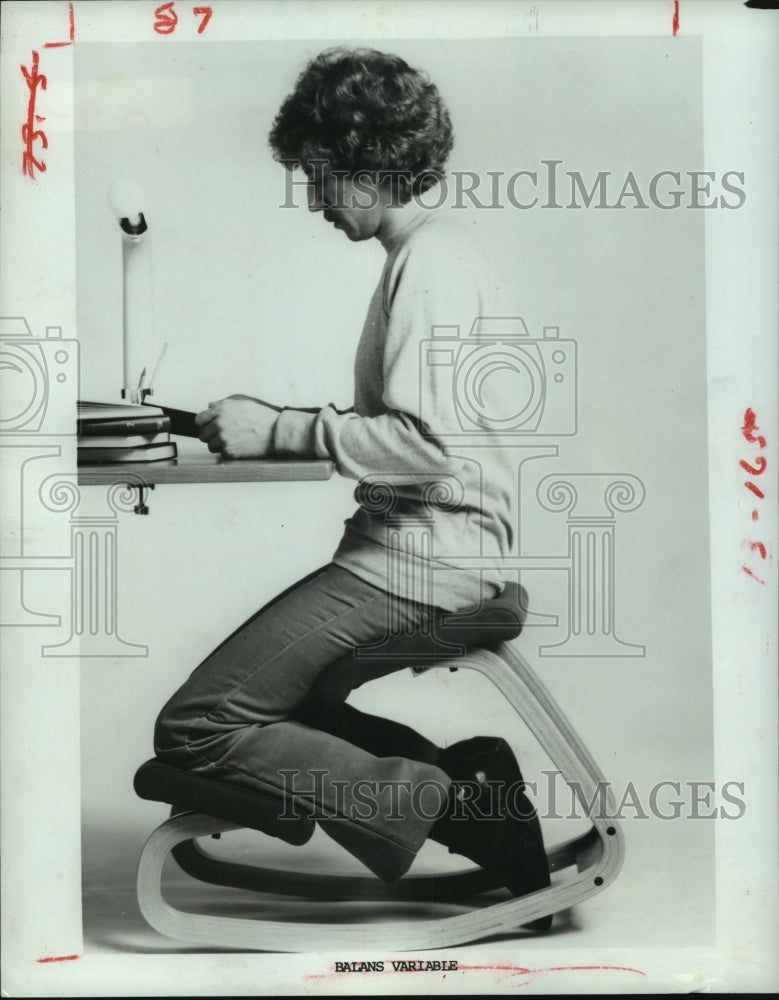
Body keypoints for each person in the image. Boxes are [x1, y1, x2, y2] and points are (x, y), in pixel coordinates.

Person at [154, 47, 550, 907]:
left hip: (422, 561)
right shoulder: (430, 258)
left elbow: (425, 444)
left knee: (197, 725)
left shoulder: (432, 264)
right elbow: (408, 433)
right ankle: (464, 776)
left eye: (319, 174)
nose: (314, 199)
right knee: (272, 703)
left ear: (366, 159)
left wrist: (284, 430)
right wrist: (274, 430)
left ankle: (461, 808)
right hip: (417, 551)